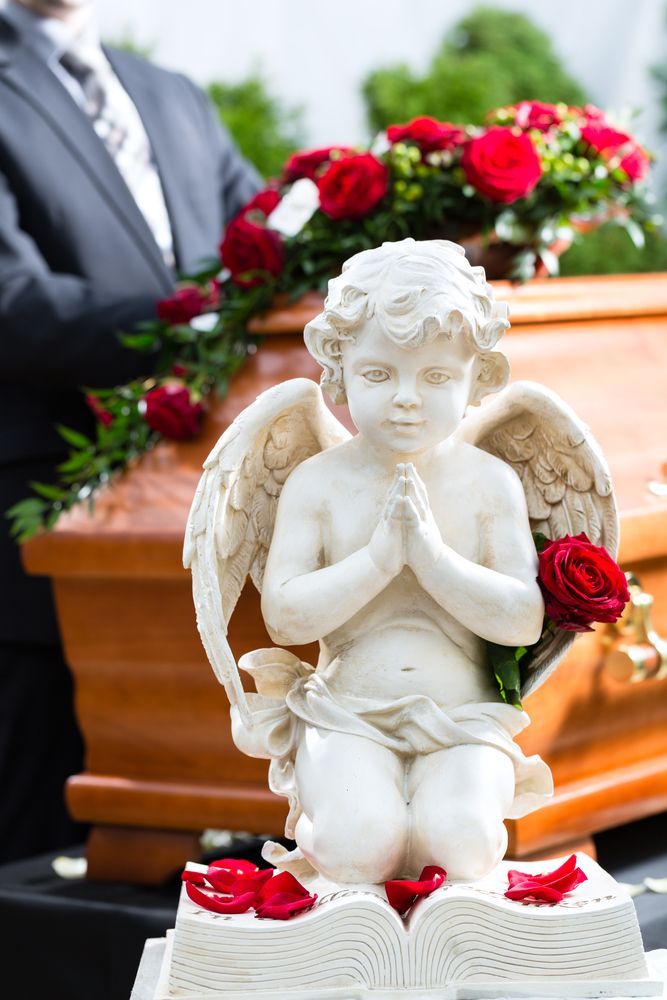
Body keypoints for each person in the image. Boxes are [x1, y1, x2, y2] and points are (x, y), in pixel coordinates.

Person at [0, 0, 261, 861]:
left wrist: (448, 244)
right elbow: (10, 302)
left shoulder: (174, 94)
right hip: (41, 527)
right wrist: (188, 321)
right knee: (38, 847)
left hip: (190, 520)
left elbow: (277, 243)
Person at [228, 240, 554, 884]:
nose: (406, 398)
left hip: (462, 718)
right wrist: (381, 559)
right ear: (338, 369)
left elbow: (521, 620)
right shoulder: (317, 483)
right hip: (346, 712)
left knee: (462, 846)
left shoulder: (490, 484)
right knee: (356, 848)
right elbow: (286, 619)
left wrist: (429, 558)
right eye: (379, 374)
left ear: (478, 379)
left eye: (436, 377)